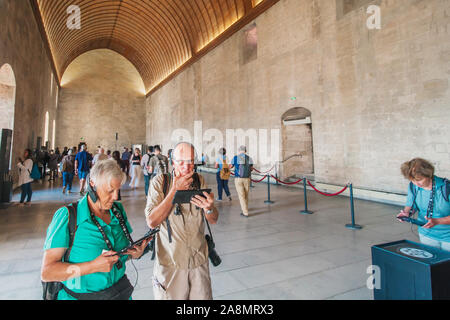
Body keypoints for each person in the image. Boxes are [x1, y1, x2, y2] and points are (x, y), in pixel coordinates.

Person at [41, 159, 150, 300]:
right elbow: (48, 272)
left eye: (118, 190)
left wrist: (133, 254)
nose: (116, 197)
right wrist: (92, 266)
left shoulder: (117, 211)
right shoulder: (68, 217)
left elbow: (116, 255)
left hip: (118, 294)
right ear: (92, 184)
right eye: (110, 190)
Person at [145, 142, 219, 300]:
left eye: (191, 161)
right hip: (171, 265)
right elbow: (152, 221)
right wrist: (174, 191)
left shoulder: (199, 181)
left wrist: (209, 208)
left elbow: (213, 220)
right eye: (181, 162)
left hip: (198, 262)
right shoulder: (160, 183)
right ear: (173, 162)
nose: (187, 166)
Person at [397, 158, 450, 251]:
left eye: (420, 179)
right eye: (412, 180)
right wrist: (406, 213)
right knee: (432, 263)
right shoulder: (413, 186)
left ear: (429, 174)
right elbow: (411, 204)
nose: (416, 183)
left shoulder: (446, 188)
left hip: (447, 237)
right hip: (426, 234)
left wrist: (437, 221)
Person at [230, 146, 254, 218]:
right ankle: (245, 208)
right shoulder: (249, 158)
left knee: (241, 196)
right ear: (245, 151)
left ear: (239, 150)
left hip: (238, 179)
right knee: (246, 194)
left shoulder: (236, 157)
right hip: (247, 178)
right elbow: (251, 168)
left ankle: (245, 212)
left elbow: (230, 166)